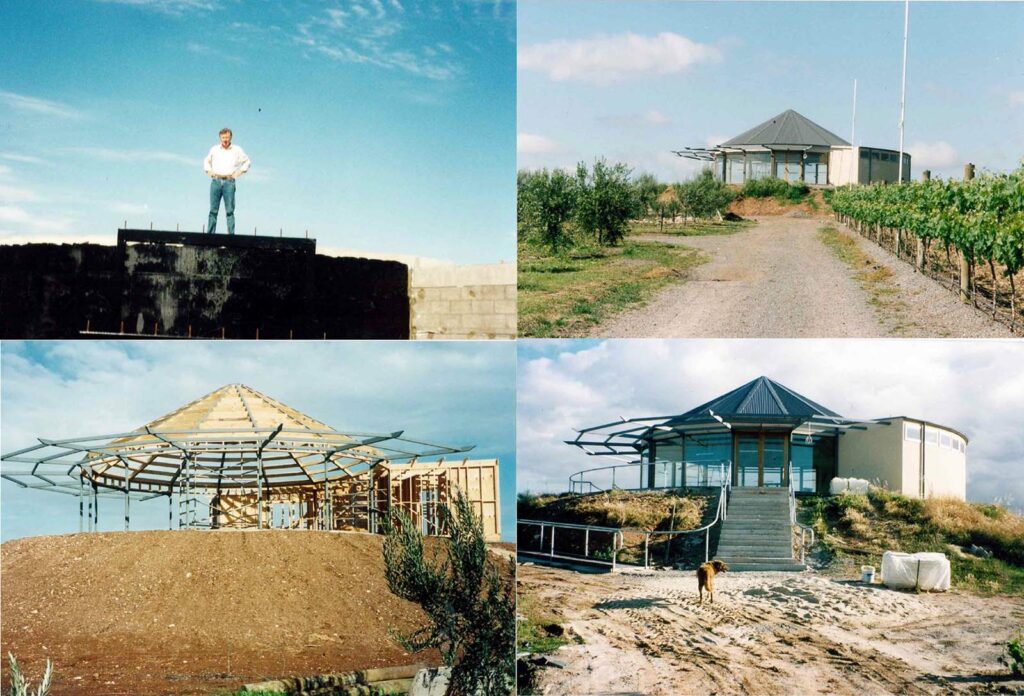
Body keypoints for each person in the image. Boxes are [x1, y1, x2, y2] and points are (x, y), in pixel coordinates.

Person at [203, 128, 251, 235]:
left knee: (230, 211)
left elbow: (247, 162)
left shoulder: (237, 150)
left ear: (230, 138)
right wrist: (209, 171)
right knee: (213, 210)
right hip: (216, 181)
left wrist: (239, 173)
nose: (225, 139)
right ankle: (210, 235)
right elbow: (206, 161)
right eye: (223, 137)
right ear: (220, 137)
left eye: (227, 137)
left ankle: (231, 236)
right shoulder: (214, 149)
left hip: (229, 182)